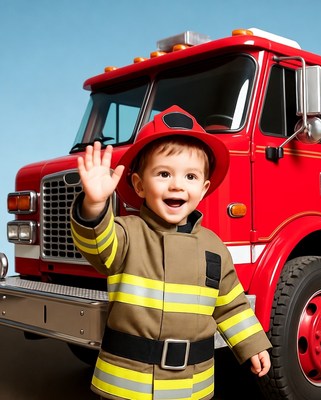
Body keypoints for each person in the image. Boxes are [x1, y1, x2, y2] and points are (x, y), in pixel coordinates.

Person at [71, 106, 272, 400]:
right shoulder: (127, 233)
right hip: (127, 385)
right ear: (139, 185)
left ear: (204, 189)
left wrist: (253, 344)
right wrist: (94, 205)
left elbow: (231, 306)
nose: (177, 184)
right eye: (163, 173)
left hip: (192, 386)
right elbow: (97, 246)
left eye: (190, 177)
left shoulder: (213, 248)